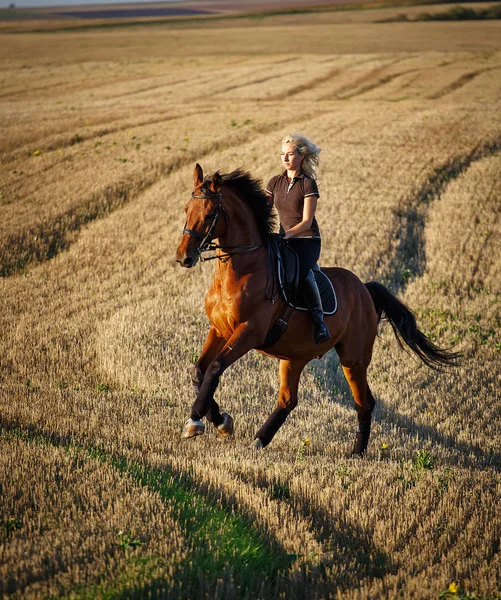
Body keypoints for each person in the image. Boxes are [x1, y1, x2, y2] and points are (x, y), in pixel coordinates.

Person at [265, 133, 330, 344]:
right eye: (282, 154)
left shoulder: (307, 184)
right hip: (284, 240)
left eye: (290, 154)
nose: (285, 159)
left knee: (300, 273)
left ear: (301, 157)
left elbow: (306, 220)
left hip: (306, 240)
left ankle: (319, 322)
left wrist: (286, 234)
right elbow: (263, 212)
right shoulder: (275, 182)